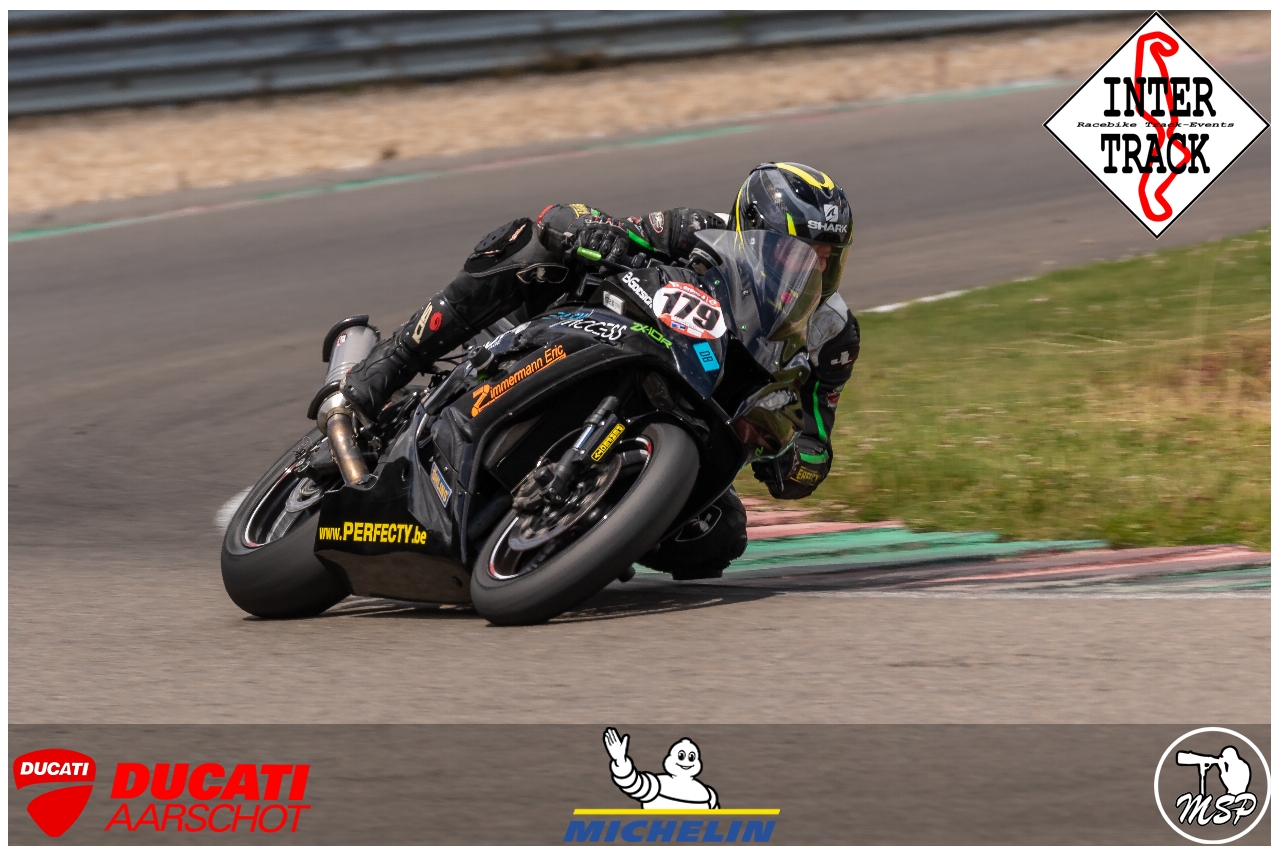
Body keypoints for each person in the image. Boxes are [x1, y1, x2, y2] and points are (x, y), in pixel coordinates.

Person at [335, 162, 861, 579]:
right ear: (752, 235)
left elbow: (816, 442)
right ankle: (386, 366)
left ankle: (586, 538)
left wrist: (790, 458)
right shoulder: (698, 231)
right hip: (602, 337)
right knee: (527, 241)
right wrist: (596, 233)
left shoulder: (833, 334)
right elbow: (569, 217)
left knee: (719, 537)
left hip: (696, 424)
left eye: (827, 257)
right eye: (799, 255)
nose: (813, 269)